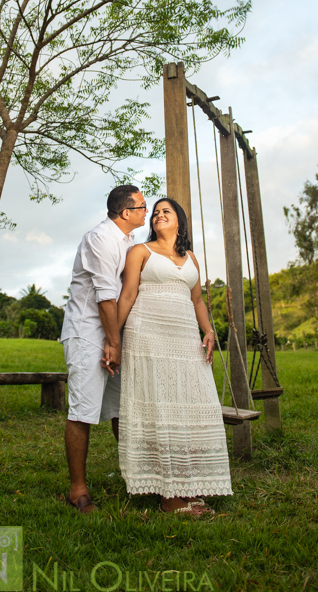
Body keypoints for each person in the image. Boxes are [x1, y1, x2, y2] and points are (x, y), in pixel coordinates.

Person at [116, 197, 233, 515]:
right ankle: (169, 497)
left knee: (190, 407)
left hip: (184, 339)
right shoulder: (141, 251)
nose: (157, 216)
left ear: (179, 220)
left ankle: (186, 485)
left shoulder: (191, 257)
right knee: (160, 408)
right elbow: (127, 294)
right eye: (154, 213)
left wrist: (208, 330)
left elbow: (196, 300)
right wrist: (113, 337)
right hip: (147, 336)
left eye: (165, 211)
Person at [61, 184, 148, 514]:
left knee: (119, 409)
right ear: (127, 213)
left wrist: (117, 340)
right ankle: (77, 490)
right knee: (82, 411)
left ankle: (136, 477)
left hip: (113, 333)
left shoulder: (128, 240)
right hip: (87, 334)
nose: (146, 211)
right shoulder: (101, 238)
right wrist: (112, 342)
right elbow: (105, 296)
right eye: (142, 206)